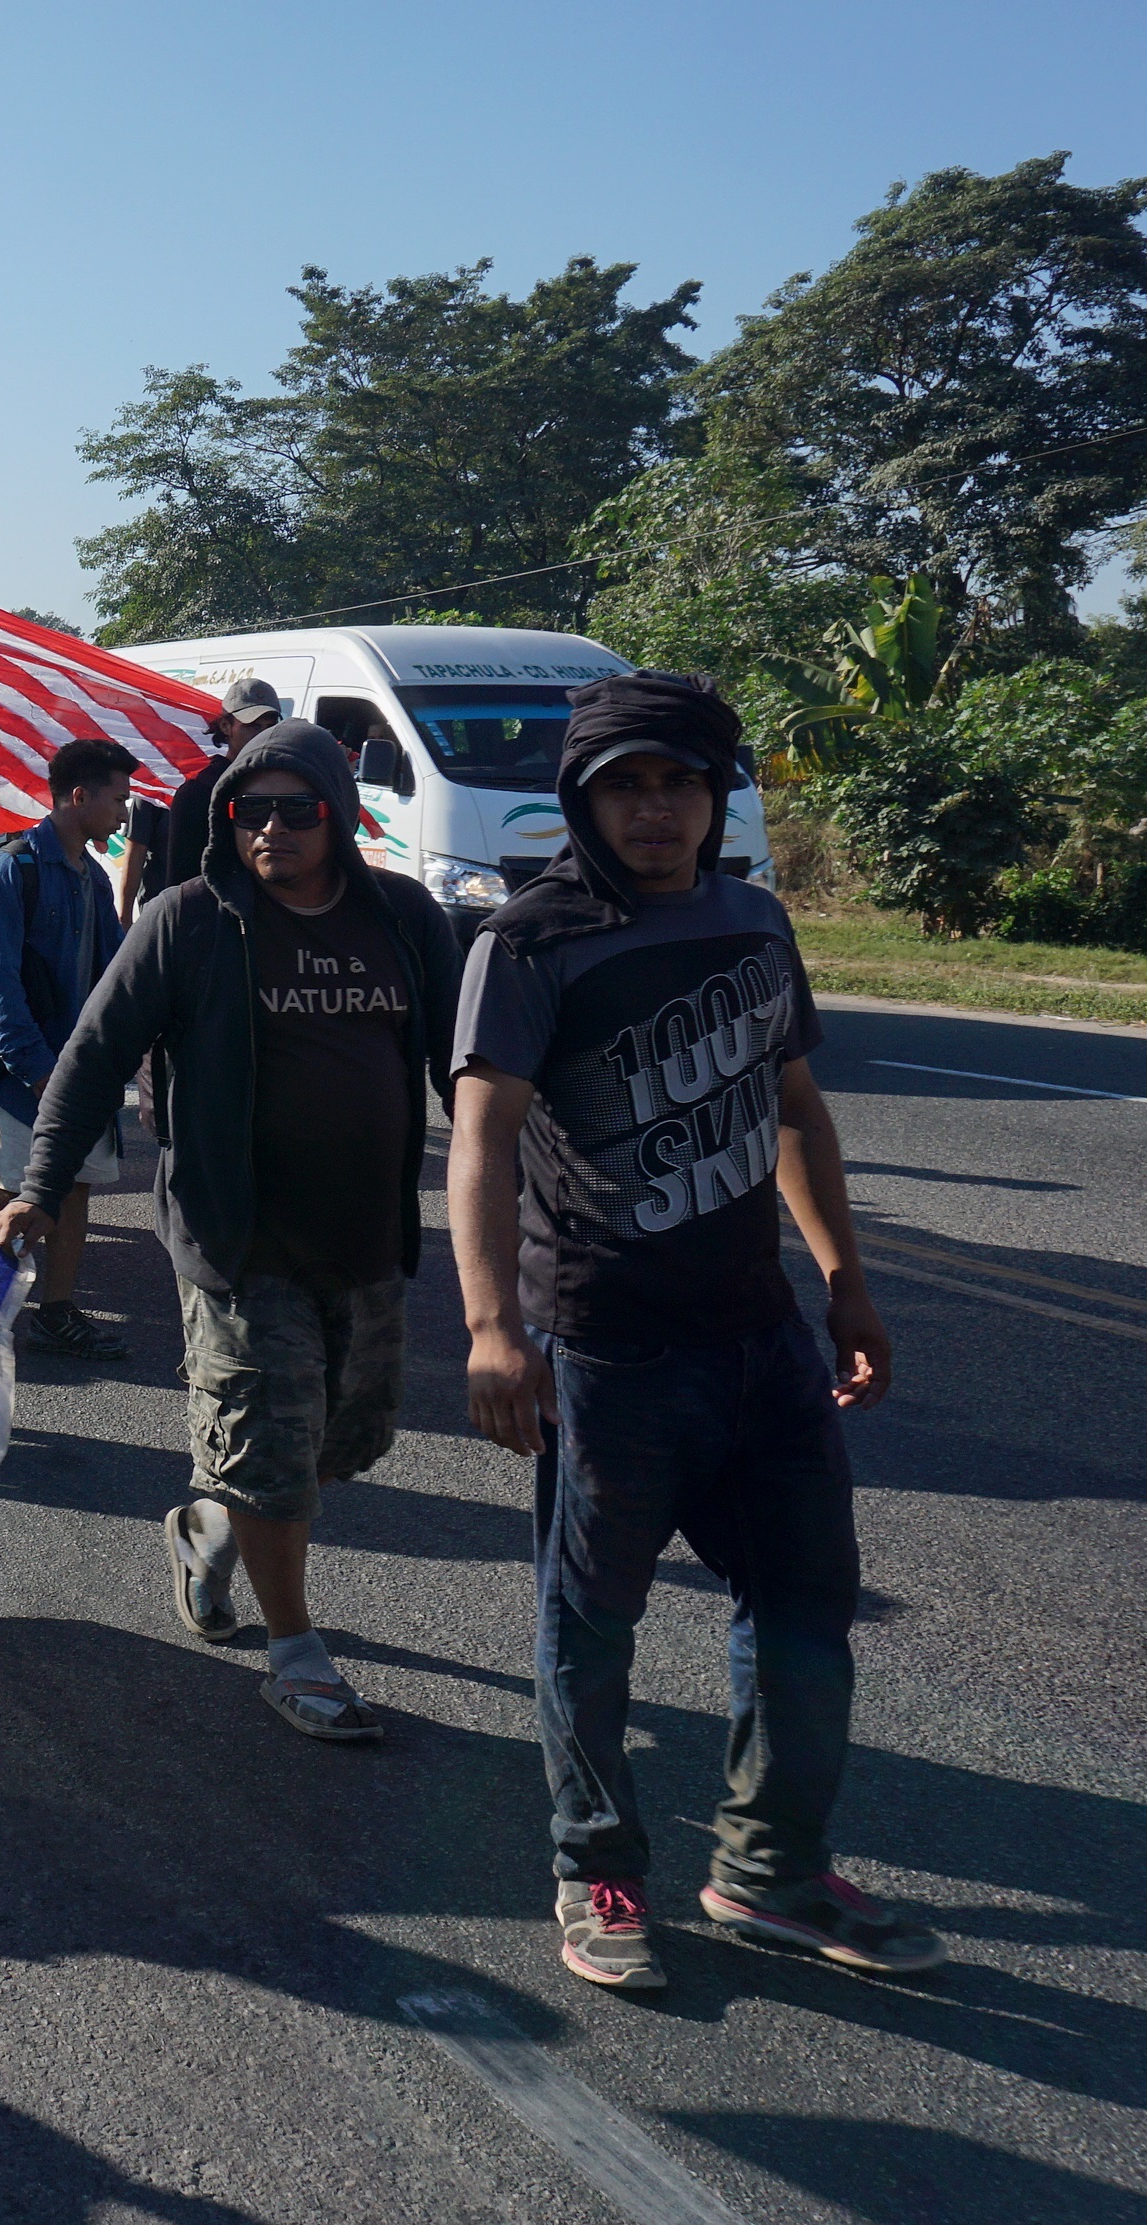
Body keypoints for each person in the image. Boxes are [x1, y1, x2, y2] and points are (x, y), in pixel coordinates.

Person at [448, 672, 937, 1991]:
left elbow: (792, 1106)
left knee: (804, 1606)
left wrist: (845, 1279)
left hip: (762, 1338)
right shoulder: (530, 942)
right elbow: (481, 1141)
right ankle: (598, 1874)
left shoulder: (752, 919)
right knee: (589, 1630)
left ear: (715, 796)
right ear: (582, 801)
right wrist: (495, 1329)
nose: (654, 810)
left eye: (678, 782)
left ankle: (772, 1871)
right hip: (606, 1352)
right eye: (625, 785)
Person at [3, 723, 464, 1746]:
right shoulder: (189, 921)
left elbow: (460, 1068)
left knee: (339, 1441)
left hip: (365, 1236)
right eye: (247, 812)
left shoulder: (402, 916)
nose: (269, 829)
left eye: (293, 809)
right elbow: (90, 1057)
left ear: (338, 812)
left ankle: (205, 1527)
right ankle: (295, 1654)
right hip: (235, 1238)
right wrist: (40, 1185)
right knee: (271, 1450)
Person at [0, 739, 137, 1363]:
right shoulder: (15, 868)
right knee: (26, 1189)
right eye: (117, 800)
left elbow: (118, 974)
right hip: (35, 1072)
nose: (124, 815)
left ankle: (52, 1310)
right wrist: (37, 1071)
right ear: (78, 797)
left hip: (79, 1069)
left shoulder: (91, 876)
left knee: (70, 1187)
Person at [126, 678, 281, 920]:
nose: (263, 735)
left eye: (270, 726)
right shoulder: (198, 793)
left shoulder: (281, 787)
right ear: (226, 726)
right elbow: (181, 882)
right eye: (253, 725)